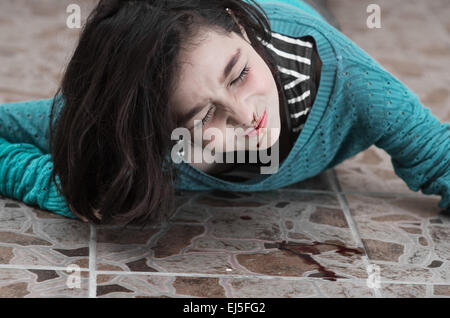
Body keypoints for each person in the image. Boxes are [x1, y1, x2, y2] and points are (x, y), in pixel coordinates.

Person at [0, 0, 448, 227]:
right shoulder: (121, 123)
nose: (242, 113)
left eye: (237, 76)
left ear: (239, 27)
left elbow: (439, 157)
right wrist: (56, 183)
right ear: (151, 131)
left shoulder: (349, 78)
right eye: (200, 117)